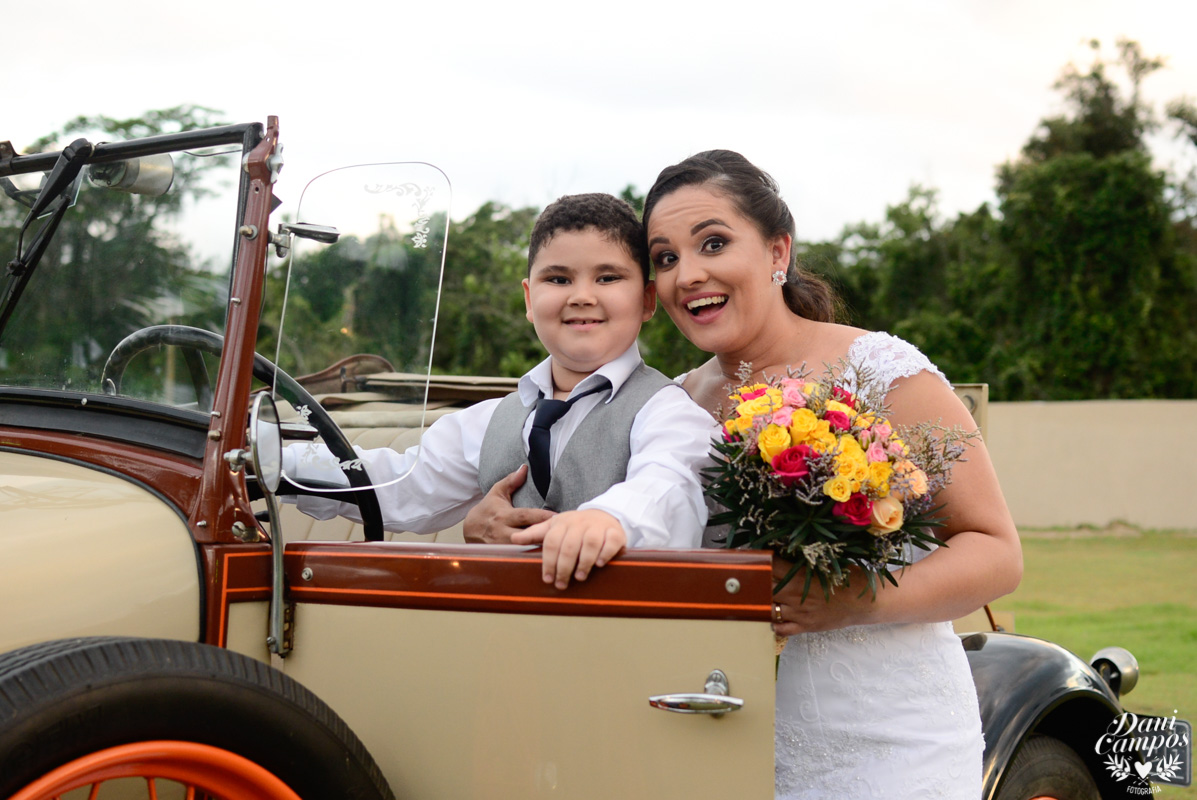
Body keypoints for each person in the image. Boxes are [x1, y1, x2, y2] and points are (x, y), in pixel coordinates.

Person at [467, 153, 1022, 798]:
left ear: (777, 251)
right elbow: (619, 533)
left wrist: (856, 599)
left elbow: (996, 553)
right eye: (666, 258)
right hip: (716, 734)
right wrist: (498, 527)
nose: (688, 275)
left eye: (713, 243)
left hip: (891, 742)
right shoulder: (669, 406)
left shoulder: (879, 372)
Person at [283, 193, 713, 590]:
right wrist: (276, 462)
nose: (582, 296)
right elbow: (400, 484)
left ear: (647, 299)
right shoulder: (491, 419)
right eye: (558, 279)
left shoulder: (668, 412)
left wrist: (607, 520)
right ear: (529, 299)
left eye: (607, 277)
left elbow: (670, 486)